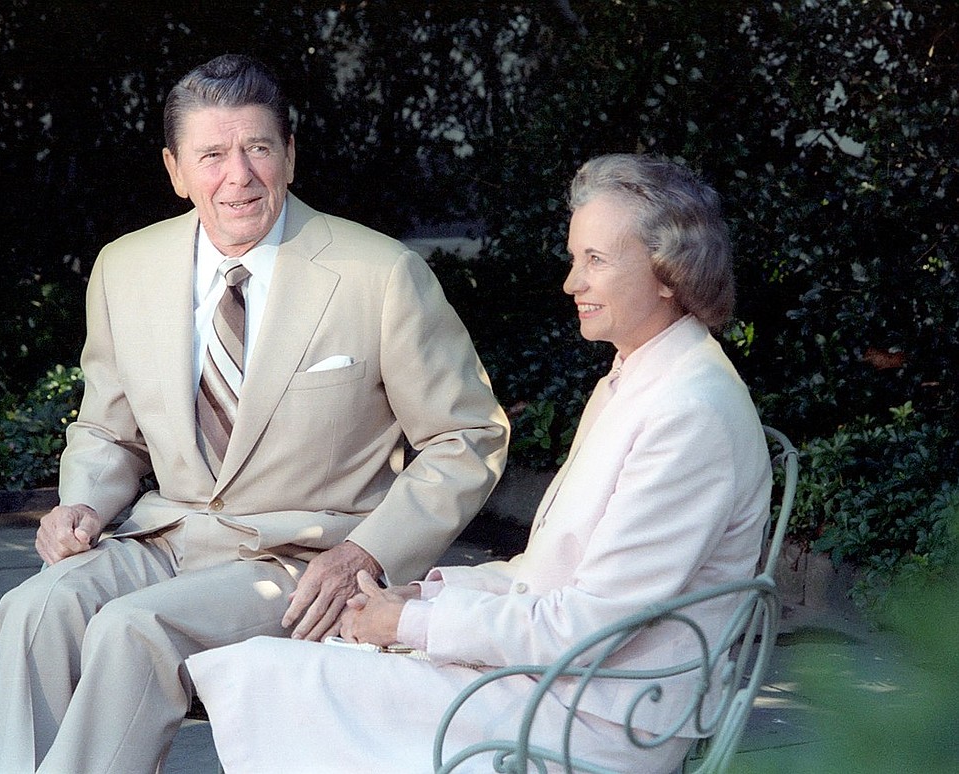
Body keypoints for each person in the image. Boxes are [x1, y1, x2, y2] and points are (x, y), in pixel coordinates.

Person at [0, 54, 509, 774]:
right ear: (175, 170)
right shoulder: (124, 266)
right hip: (167, 537)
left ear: (289, 156)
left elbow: (466, 436)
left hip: (303, 561)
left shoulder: (380, 273)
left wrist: (371, 552)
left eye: (257, 148)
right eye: (212, 155)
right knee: (35, 609)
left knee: (133, 631)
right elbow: (109, 428)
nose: (239, 175)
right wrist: (80, 504)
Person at [186, 153, 773, 773]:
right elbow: (549, 574)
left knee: (270, 672)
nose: (573, 283)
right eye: (574, 260)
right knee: (285, 665)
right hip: (561, 689)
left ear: (667, 273)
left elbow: (586, 626)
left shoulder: (688, 411)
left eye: (595, 260)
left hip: (594, 721)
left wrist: (409, 624)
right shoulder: (643, 376)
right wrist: (423, 596)